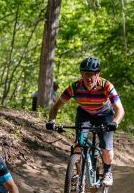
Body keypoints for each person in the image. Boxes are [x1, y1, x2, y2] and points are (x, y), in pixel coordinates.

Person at [45, 56, 124, 186]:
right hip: (85, 114)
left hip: (105, 115)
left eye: (92, 74)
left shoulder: (106, 86)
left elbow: (120, 110)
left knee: (106, 146)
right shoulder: (75, 87)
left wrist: (114, 122)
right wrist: (51, 120)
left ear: (98, 74)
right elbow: (55, 107)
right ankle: (78, 172)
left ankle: (108, 171)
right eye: (85, 74)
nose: (88, 78)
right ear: (81, 74)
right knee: (79, 144)